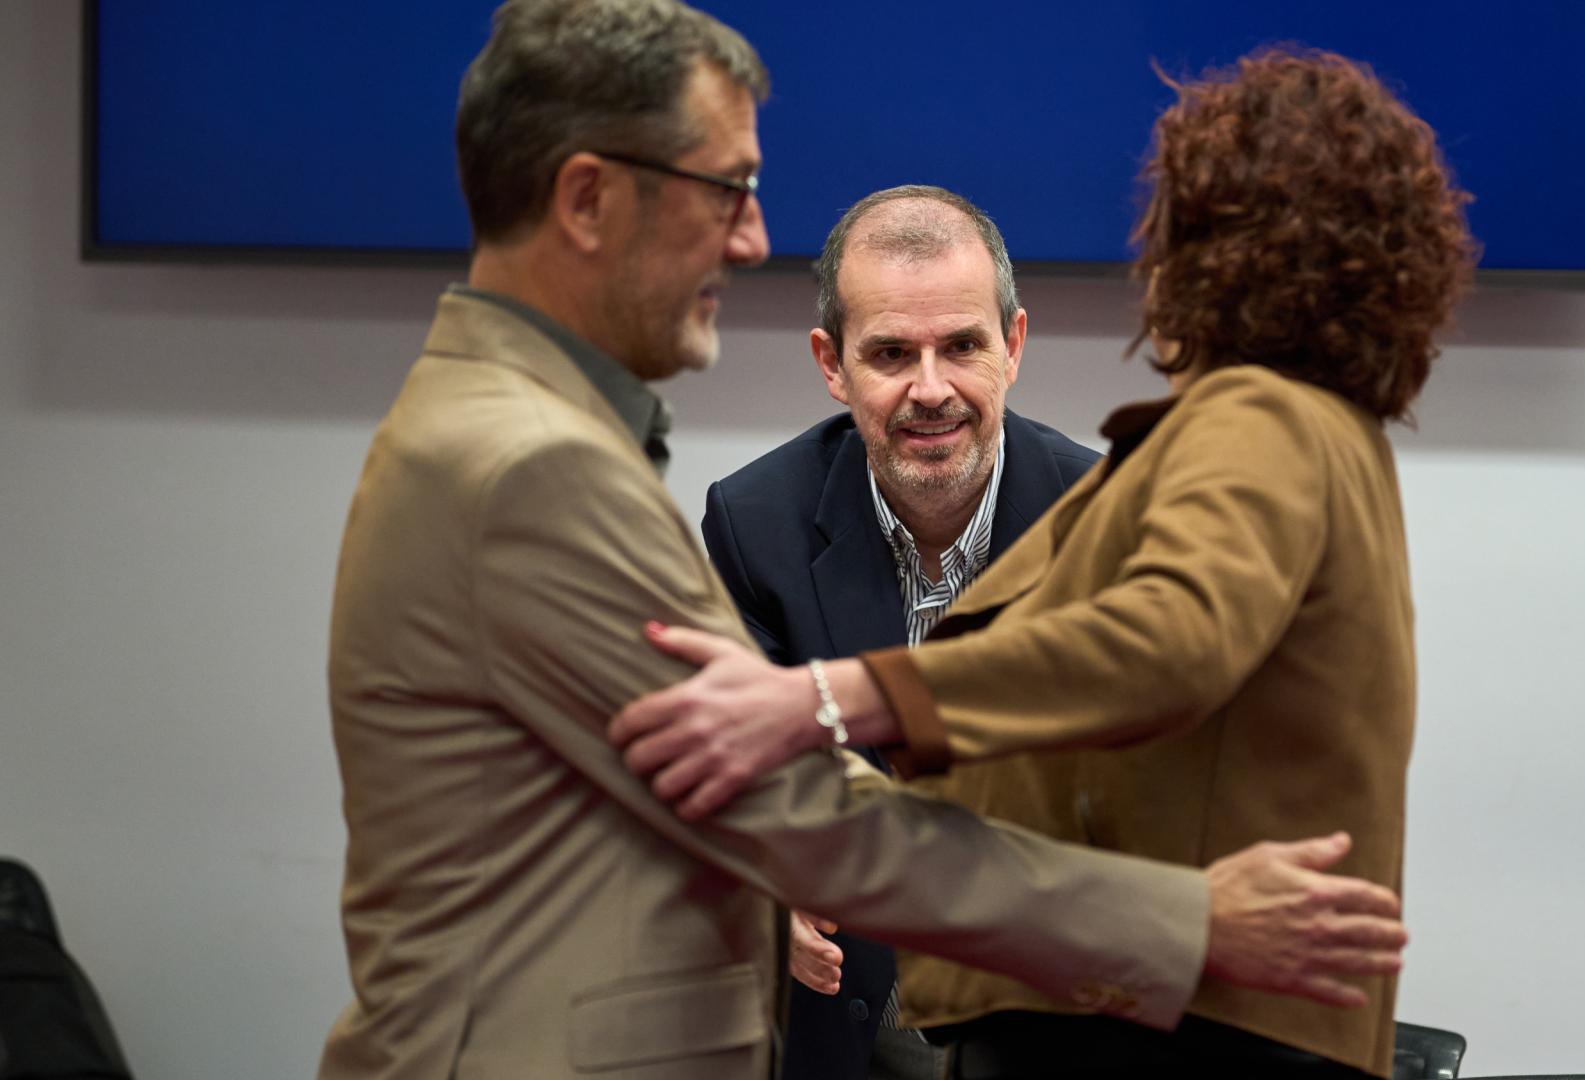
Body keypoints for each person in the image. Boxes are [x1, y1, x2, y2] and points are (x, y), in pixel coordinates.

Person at [319, 5, 1412, 1077]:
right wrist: (1187, 922)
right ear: (588, 199)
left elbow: (1163, 645)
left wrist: (826, 698)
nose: (752, 237)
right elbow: (799, 813)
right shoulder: (540, 465)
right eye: (727, 189)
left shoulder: (489, 430)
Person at [611, 45, 1476, 1079]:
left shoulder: (1261, 420)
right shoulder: (1331, 432)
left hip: (1173, 1032)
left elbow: (1165, 643)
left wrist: (825, 700)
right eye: (892, 353)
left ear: (1201, 249)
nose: (931, 387)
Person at [702, 185, 1099, 1080]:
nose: (930, 389)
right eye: (890, 353)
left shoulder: (1105, 525)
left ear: (1013, 346)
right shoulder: (755, 524)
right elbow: (733, 775)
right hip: (849, 1024)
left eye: (962, 345)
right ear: (832, 364)